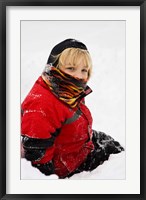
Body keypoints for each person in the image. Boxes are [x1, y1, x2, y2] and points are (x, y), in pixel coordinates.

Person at [21, 38, 124, 179]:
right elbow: (37, 154)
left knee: (114, 146)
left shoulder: (66, 89)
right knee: (120, 164)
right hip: (67, 164)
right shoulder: (42, 103)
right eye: (71, 68)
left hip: (77, 145)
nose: (79, 76)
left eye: (84, 70)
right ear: (54, 66)